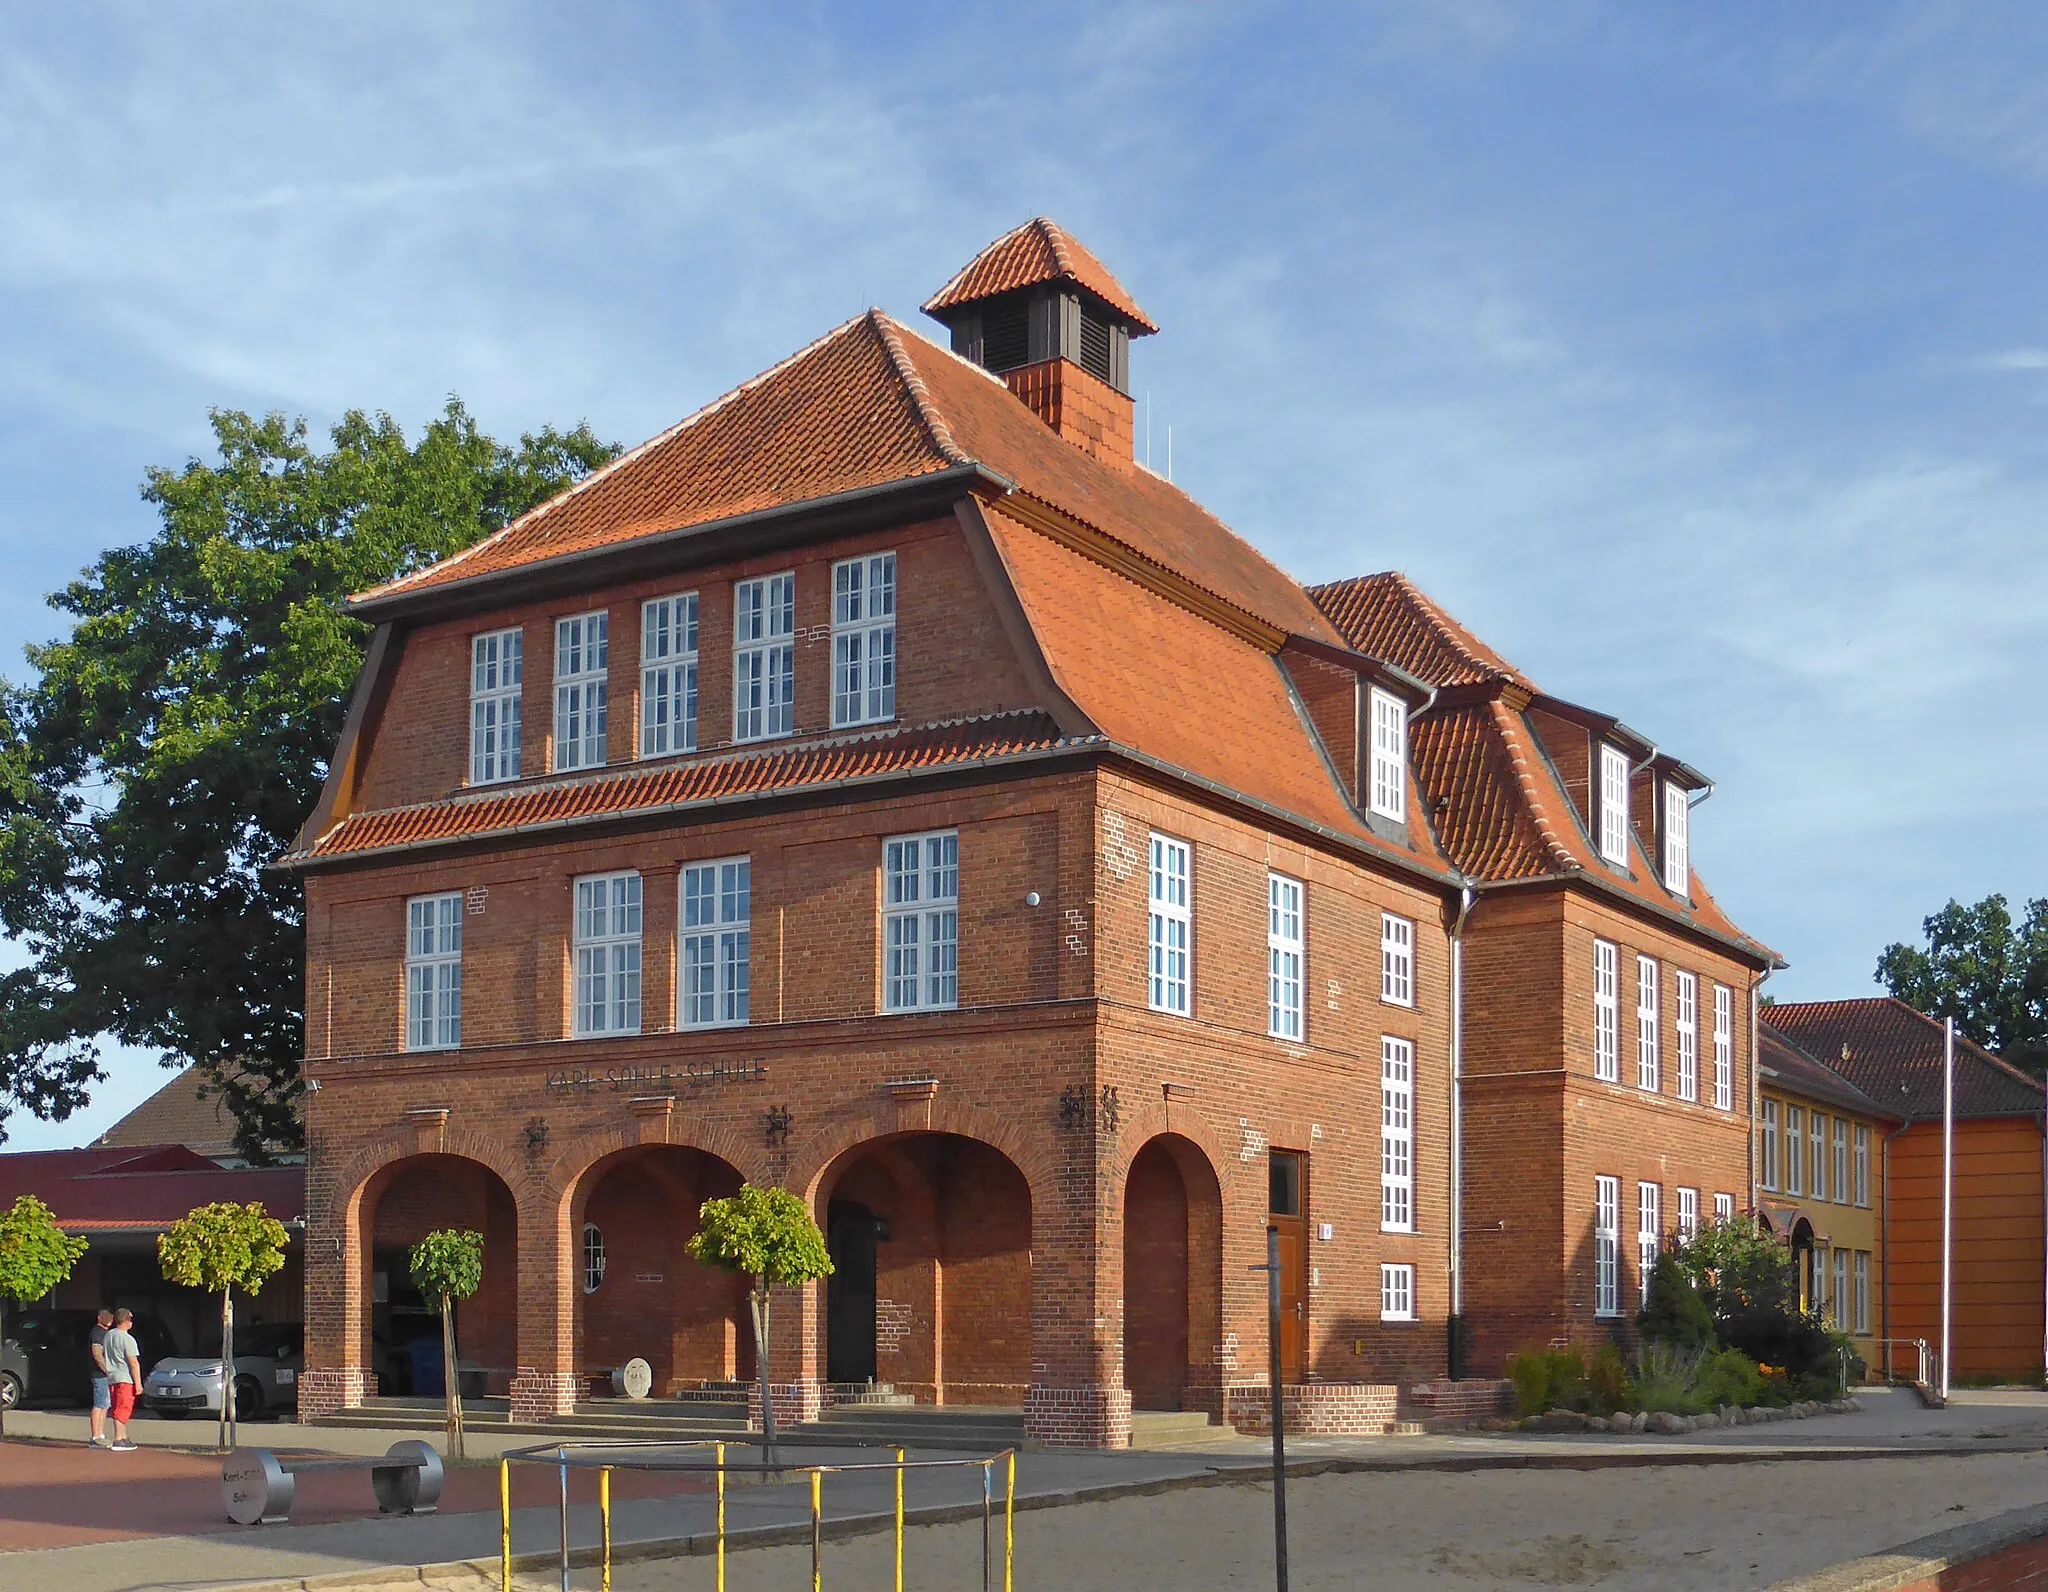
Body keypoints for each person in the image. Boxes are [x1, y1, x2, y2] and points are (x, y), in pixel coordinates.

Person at [103, 1308, 141, 1452]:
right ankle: (118, 1438)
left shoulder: (108, 1336)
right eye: (131, 1319)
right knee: (124, 1407)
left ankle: (123, 1435)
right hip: (125, 1377)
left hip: (112, 1376)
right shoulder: (127, 1338)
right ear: (125, 1321)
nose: (132, 1322)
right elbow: (133, 1362)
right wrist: (138, 1382)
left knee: (116, 1406)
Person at [87, 1308, 113, 1448]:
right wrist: (107, 1370)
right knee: (99, 1404)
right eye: (106, 1317)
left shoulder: (106, 1333)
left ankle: (101, 1434)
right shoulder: (97, 1333)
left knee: (105, 1404)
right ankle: (95, 1436)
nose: (109, 1319)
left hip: (104, 1375)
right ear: (99, 1318)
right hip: (99, 1374)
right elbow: (97, 1354)